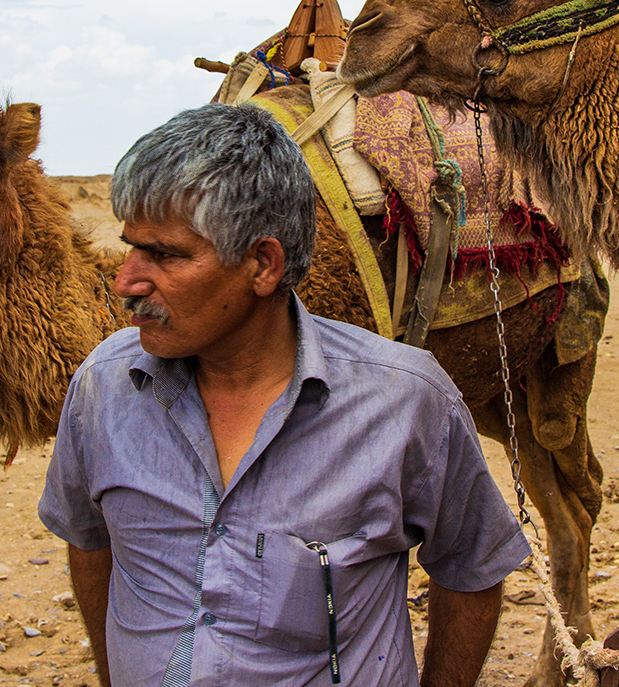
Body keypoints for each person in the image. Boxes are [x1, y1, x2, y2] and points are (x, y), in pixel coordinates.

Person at [38, 102, 531, 686]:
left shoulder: (407, 402)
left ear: (263, 264)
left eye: (165, 255)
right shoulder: (103, 386)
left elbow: (472, 568)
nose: (126, 281)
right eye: (132, 247)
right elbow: (89, 540)